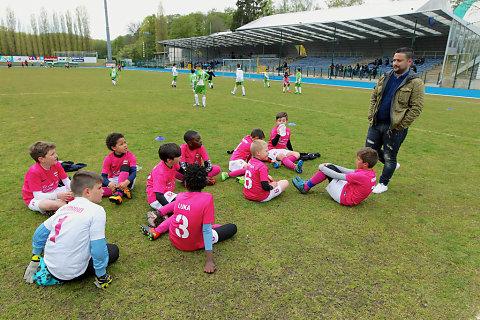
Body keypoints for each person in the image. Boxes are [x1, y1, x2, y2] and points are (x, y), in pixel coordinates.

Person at [23, 170, 119, 288]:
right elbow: (98, 248)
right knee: (113, 250)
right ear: (87, 191)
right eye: (99, 188)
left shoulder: (64, 208)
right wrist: (101, 275)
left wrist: (35, 258)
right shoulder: (96, 210)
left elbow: (39, 234)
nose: (103, 191)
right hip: (71, 273)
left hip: (51, 266)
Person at [140, 164, 237, 274]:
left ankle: (157, 231)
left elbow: (171, 206)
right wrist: (209, 260)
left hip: (175, 240)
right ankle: (158, 231)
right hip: (192, 244)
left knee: (177, 216)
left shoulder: (180, 196)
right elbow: (206, 230)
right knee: (231, 228)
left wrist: (158, 213)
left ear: (185, 184)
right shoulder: (207, 198)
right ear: (205, 182)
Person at [365, 47, 424, 194]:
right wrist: (371, 115)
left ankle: (383, 183)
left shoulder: (415, 82)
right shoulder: (385, 76)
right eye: (394, 60)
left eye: (399, 60)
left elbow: (416, 107)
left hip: (394, 128)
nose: (395, 63)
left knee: (389, 156)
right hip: (376, 123)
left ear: (409, 61)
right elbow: (374, 96)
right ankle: (370, 176)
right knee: (369, 152)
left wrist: (401, 125)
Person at [292, 147, 378, 206]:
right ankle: (307, 183)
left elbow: (338, 175)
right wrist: (331, 164)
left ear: (365, 164)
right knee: (330, 167)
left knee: (327, 171)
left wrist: (322, 168)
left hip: (344, 198)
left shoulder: (361, 176)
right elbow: (347, 171)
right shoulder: (369, 172)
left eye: (358, 159)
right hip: (349, 193)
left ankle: (305, 187)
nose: (356, 160)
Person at [22, 141, 73, 215]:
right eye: (52, 154)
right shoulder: (34, 172)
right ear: (41, 159)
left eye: (55, 153)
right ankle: (70, 206)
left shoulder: (57, 164)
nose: (56, 156)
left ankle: (65, 206)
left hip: (54, 191)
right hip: (36, 199)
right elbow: (38, 196)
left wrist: (71, 190)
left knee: (80, 188)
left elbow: (66, 181)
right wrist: (57, 196)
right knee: (47, 204)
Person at [145, 143, 182, 227]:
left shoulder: (173, 163)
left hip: (165, 193)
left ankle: (165, 215)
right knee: (181, 206)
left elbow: (182, 171)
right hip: (156, 198)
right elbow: (159, 196)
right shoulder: (160, 172)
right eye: (179, 156)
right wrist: (168, 209)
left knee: (181, 204)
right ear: (169, 160)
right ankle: (155, 215)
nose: (181, 157)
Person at [101, 133, 137, 204]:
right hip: (114, 180)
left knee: (125, 166)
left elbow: (133, 173)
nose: (125, 145)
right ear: (113, 148)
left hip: (128, 180)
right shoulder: (108, 158)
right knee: (97, 187)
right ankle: (122, 191)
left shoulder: (130, 156)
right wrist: (109, 184)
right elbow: (103, 176)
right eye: (121, 144)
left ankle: (118, 194)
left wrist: (126, 182)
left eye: (125, 142)